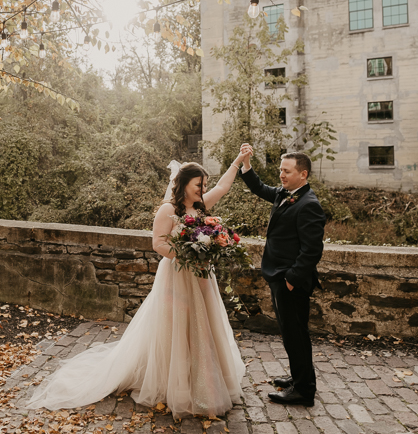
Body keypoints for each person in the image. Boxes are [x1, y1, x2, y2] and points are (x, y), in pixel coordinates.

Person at [25, 151, 251, 418]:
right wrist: (189, 254)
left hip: (201, 278)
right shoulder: (169, 209)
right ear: (184, 185)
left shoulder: (201, 207)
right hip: (178, 275)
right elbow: (158, 243)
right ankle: (176, 384)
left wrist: (239, 161)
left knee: (203, 327)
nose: (203, 189)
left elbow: (223, 187)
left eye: (204, 185)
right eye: (198, 185)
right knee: (177, 326)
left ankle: (206, 382)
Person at [238, 146, 326, 407]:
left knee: (295, 334)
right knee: (293, 334)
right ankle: (301, 378)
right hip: (280, 276)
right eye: (280, 170)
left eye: (286, 171)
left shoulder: (309, 205)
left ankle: (304, 391)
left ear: (303, 174)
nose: (281, 175)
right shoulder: (287, 194)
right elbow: (260, 188)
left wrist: (291, 278)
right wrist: (246, 164)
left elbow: (312, 251)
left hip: (291, 281)